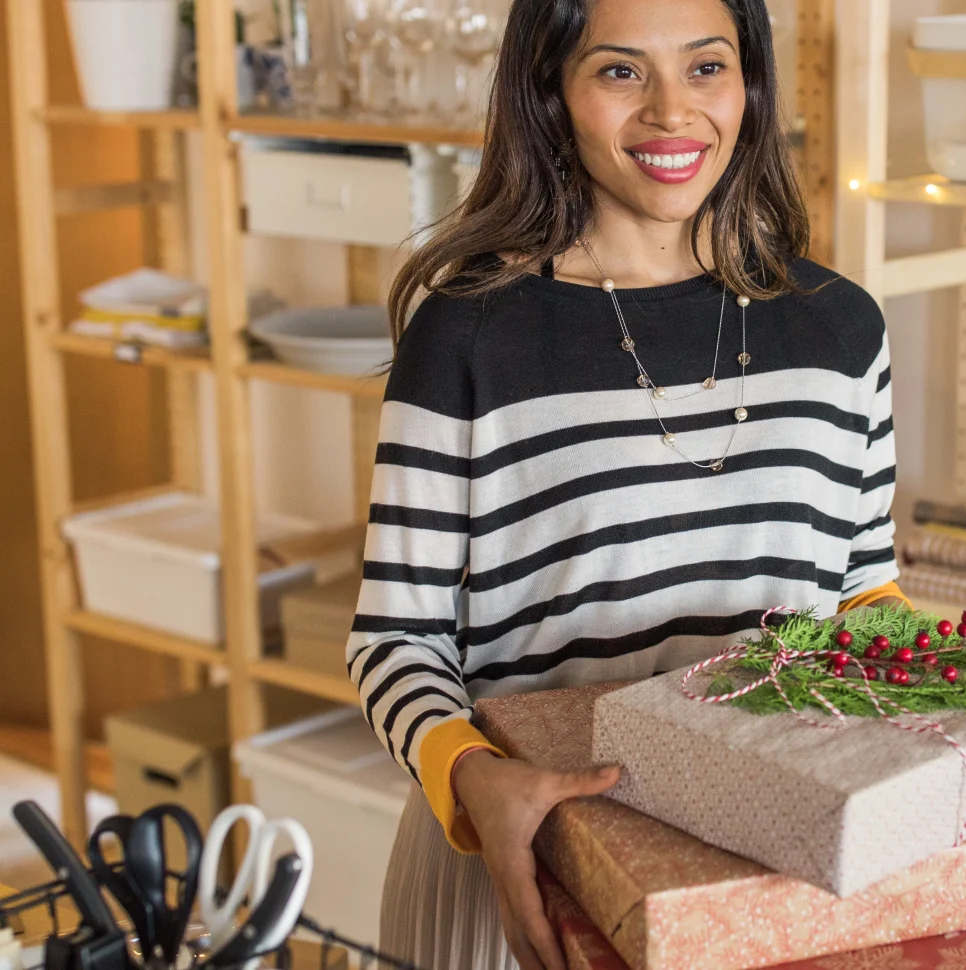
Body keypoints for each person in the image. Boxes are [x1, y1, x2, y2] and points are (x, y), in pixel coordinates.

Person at [348, 0, 905, 967]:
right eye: (618, 72)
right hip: (532, 871)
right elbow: (395, 637)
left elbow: (864, 594)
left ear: (751, 84)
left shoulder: (843, 331)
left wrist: (947, 717)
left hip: (774, 862)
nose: (671, 113)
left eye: (705, 68)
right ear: (551, 95)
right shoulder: (471, 337)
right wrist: (472, 775)